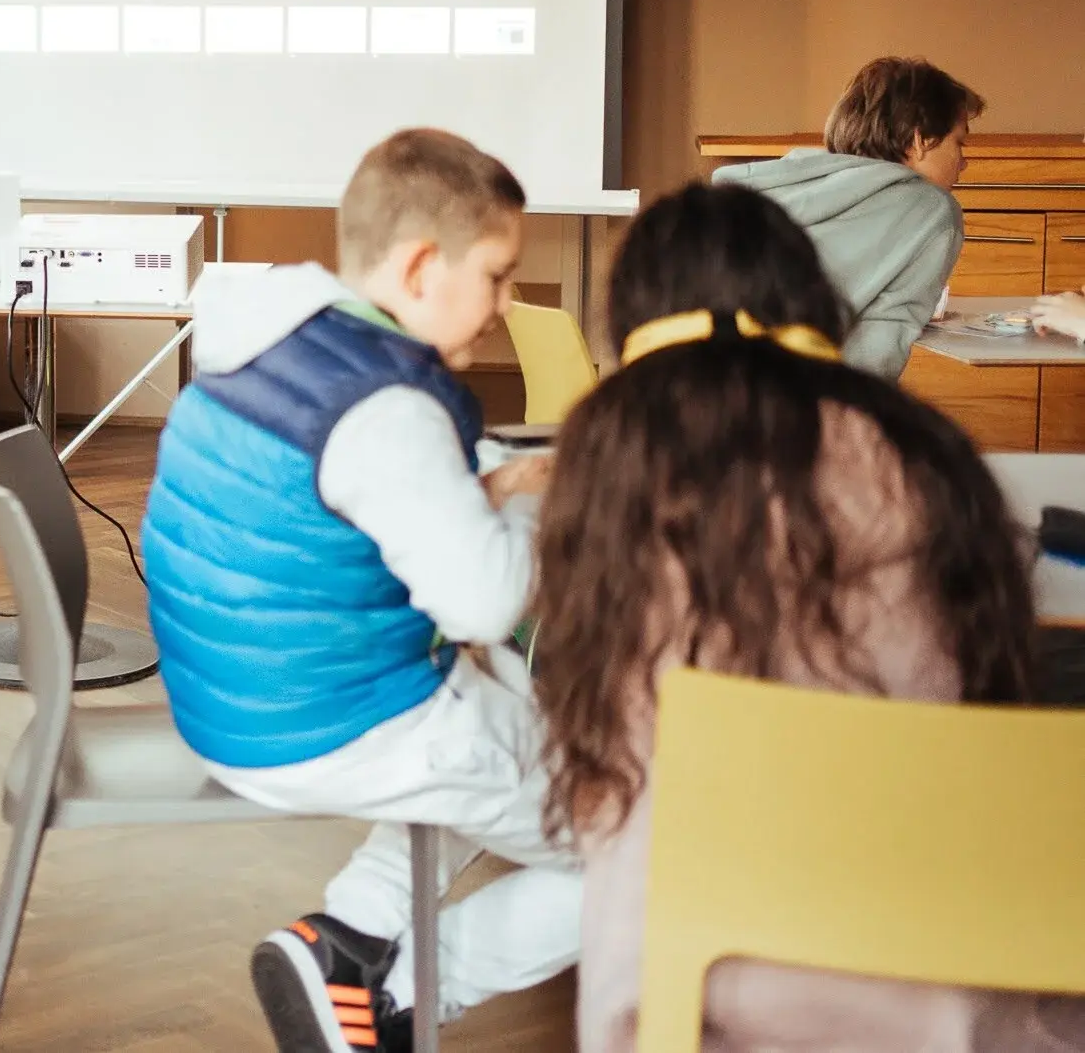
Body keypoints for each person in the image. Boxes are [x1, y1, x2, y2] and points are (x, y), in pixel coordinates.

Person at [532, 180, 1085, 1052]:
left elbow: (590, 739)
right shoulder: (920, 446)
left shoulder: (612, 453)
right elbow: (991, 681)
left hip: (688, 982)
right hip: (954, 986)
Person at [141, 128, 577, 1053]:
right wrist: (562, 513)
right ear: (422, 266)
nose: (507, 305)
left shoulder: (269, 338)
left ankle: (350, 930)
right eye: (498, 276)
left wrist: (488, 487)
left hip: (232, 696)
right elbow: (487, 600)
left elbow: (350, 494)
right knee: (655, 846)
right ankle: (406, 992)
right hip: (329, 721)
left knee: (512, 714)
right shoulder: (390, 408)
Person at [714, 56, 985, 378]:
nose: (963, 163)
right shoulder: (932, 208)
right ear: (920, 140)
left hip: (701, 386)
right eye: (959, 143)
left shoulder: (779, 182)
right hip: (796, 402)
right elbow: (882, 339)